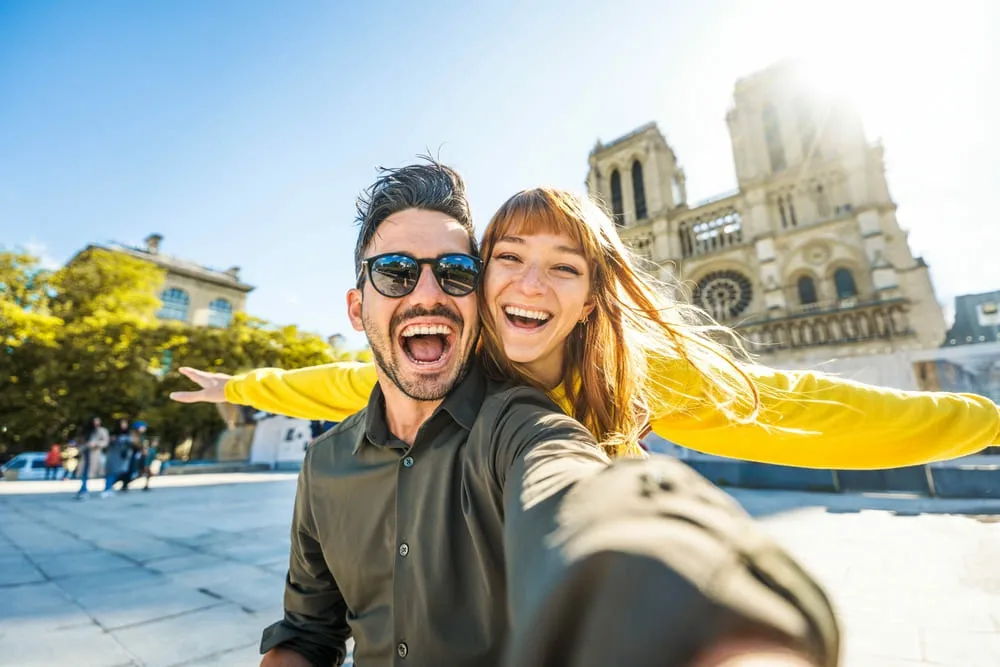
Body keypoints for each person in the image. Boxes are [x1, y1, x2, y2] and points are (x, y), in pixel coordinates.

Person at [183, 161, 840, 667]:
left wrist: (710, 619)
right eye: (396, 271)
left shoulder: (520, 423)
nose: (429, 293)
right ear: (358, 308)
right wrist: (234, 387)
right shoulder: (326, 465)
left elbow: (580, 489)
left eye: (455, 272)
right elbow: (309, 629)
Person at [173, 188, 999, 470]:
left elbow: (803, 408)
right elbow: (346, 382)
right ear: (481, 275)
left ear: (594, 298)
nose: (531, 284)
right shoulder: (452, 361)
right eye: (509, 259)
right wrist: (238, 385)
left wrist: (985, 422)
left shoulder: (629, 371)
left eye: (564, 267)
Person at [76, 417, 109, 499]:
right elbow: (78, 442)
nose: (96, 423)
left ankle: (106, 489)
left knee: (93, 473)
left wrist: (96, 444)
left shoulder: (102, 431)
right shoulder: (84, 431)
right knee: (84, 472)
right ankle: (83, 490)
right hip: (85, 453)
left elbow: (105, 442)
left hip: (95, 454)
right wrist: (82, 447)